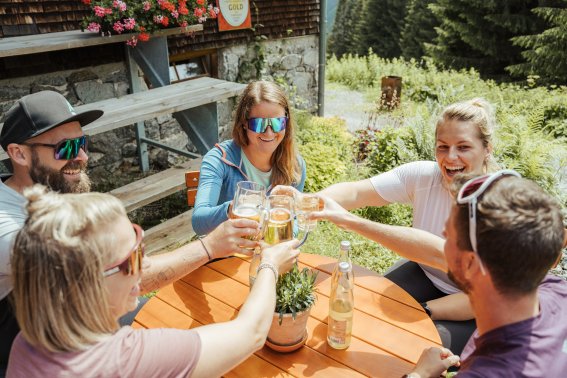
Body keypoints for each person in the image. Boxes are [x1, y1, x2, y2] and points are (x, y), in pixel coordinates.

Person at [0, 91, 260, 373]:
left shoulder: (45, 188)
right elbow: (122, 275)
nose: (84, 156)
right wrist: (209, 247)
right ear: (19, 153)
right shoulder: (11, 233)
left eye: (83, 142)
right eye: (67, 147)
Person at [275, 98, 497, 354]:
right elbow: (358, 192)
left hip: (478, 307)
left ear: (486, 149)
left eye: (464, 147)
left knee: (409, 346)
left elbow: (444, 257)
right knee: (361, 311)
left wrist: (423, 310)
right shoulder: (425, 176)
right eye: (443, 147)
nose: (451, 157)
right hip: (426, 273)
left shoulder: (498, 204)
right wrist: (308, 201)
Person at [6, 185, 299, 377]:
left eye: (139, 244)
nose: (143, 267)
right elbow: (251, 333)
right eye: (132, 259)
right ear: (88, 284)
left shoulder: (26, 343)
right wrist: (270, 265)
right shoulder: (127, 360)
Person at [405, 171, 567, 377]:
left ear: (470, 263)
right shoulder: (556, 289)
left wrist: (419, 374)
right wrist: (426, 309)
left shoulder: (488, 372)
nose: (442, 240)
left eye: (448, 237)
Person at [192, 80, 307, 235]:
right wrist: (234, 207)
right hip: (227, 254)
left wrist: (284, 232)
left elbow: (294, 220)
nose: (269, 132)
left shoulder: (295, 164)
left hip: (272, 252)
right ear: (244, 123)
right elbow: (199, 222)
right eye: (259, 124)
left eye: (277, 122)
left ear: (286, 121)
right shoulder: (219, 160)